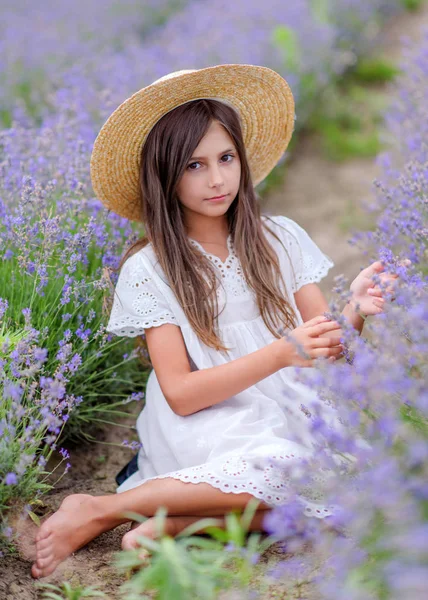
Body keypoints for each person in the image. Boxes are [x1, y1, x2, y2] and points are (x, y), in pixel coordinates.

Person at [30, 64, 396, 579]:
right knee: (281, 469)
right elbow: (181, 393)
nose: (218, 178)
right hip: (207, 420)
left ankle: (178, 522)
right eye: (194, 166)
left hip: (290, 402)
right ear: (165, 176)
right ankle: (98, 508)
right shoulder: (151, 268)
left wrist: (354, 311)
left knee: (353, 485)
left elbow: (326, 348)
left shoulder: (279, 238)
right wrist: (280, 352)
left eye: (226, 158)